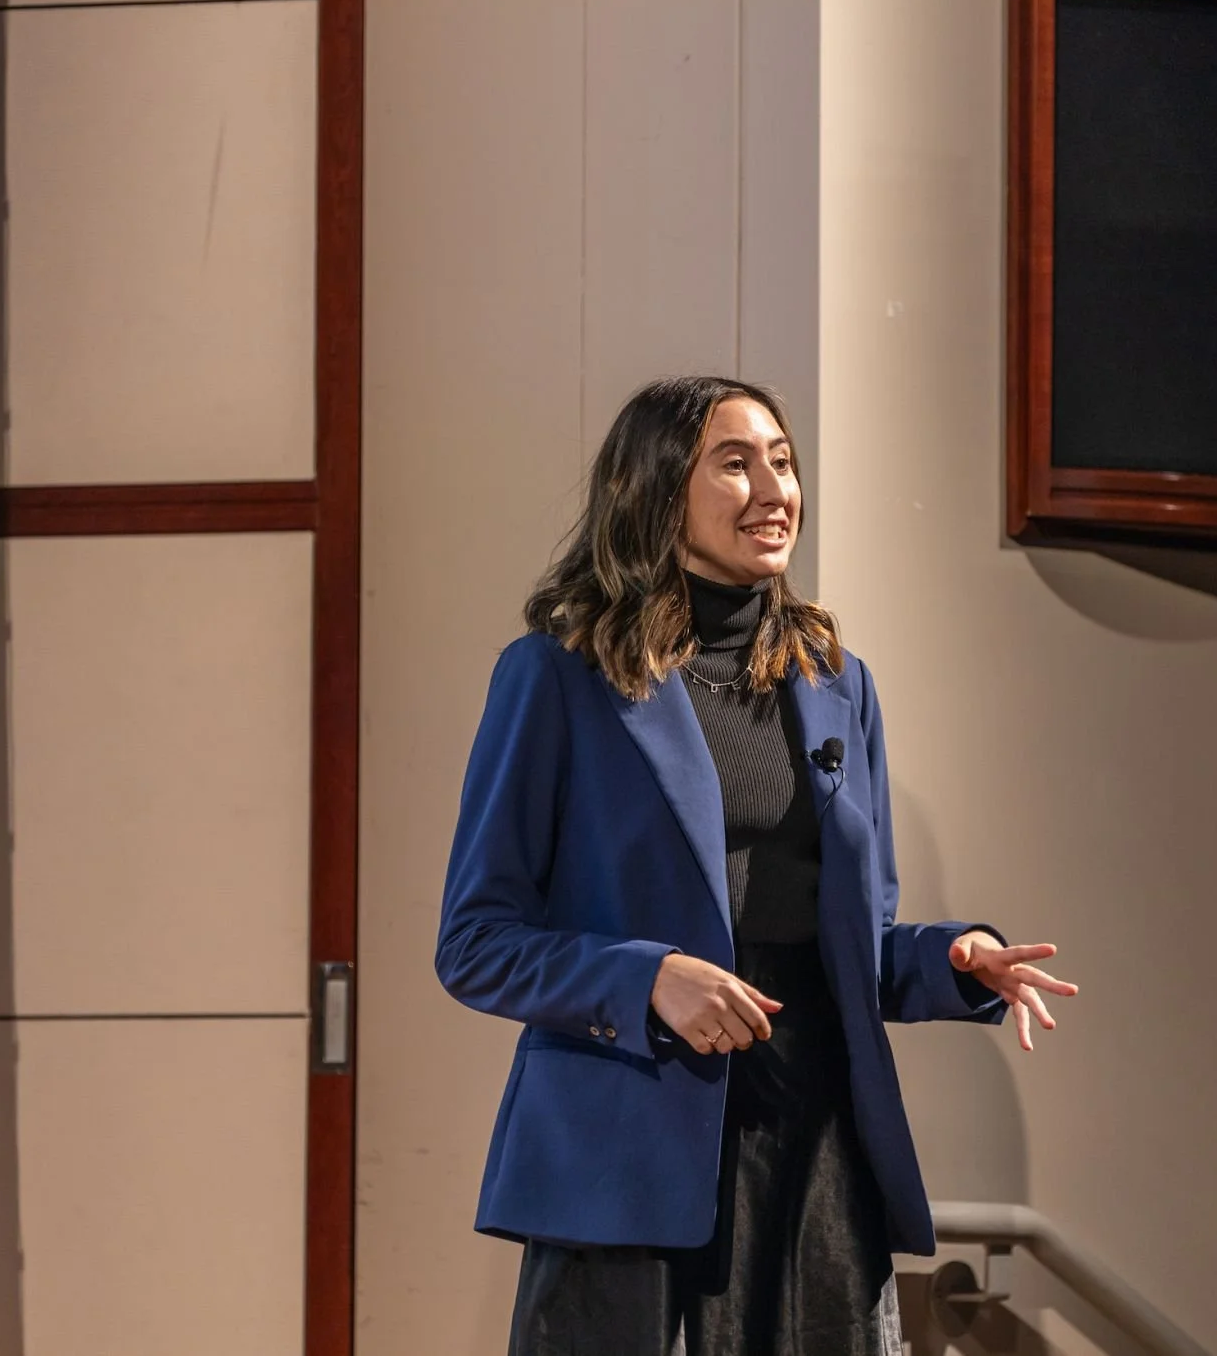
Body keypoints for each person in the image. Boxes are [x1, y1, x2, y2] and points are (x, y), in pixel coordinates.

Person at [435, 375, 1078, 1355]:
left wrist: (952, 961)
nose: (773, 488)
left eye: (781, 461)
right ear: (653, 491)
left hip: (810, 1138)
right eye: (733, 463)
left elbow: (849, 947)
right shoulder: (558, 673)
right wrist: (646, 978)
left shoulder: (833, 682)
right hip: (626, 1149)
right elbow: (476, 942)